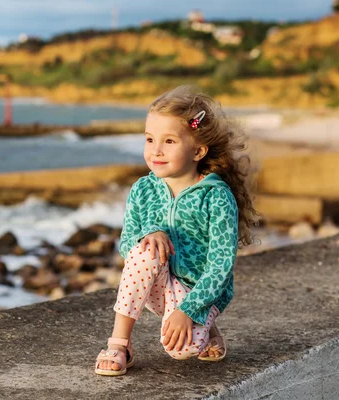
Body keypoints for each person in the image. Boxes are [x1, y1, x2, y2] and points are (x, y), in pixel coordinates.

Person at [95, 85, 258, 376]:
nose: (155, 150)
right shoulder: (143, 190)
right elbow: (126, 245)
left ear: (198, 150)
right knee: (144, 251)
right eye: (149, 139)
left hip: (199, 290)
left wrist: (189, 310)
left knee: (182, 350)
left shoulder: (216, 197)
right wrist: (149, 234)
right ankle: (120, 344)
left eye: (169, 141)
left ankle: (206, 324)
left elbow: (220, 266)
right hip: (156, 282)